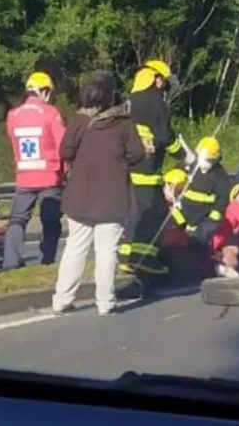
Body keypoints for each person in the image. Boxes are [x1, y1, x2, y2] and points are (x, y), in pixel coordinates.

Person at [52, 72, 145, 316]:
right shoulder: (123, 123)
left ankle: (62, 299)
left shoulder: (78, 122)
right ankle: (105, 302)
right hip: (112, 197)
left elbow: (65, 151)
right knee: (107, 252)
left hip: (80, 196)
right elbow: (138, 154)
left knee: (75, 247)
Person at [121, 60, 194, 267]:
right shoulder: (155, 103)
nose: (163, 85)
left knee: (137, 214)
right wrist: (183, 155)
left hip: (128, 170)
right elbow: (165, 136)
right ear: (155, 78)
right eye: (162, 80)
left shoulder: (130, 101)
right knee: (150, 216)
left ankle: (128, 257)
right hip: (147, 171)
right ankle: (142, 261)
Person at [3, 71, 66, 268]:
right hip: (49, 175)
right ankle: (47, 260)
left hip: (24, 176)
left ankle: (10, 262)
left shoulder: (13, 115)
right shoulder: (51, 113)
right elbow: (63, 144)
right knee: (51, 220)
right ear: (44, 91)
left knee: (17, 220)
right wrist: (64, 172)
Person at [171, 136, 232, 249]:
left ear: (216, 159)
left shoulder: (220, 177)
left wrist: (206, 227)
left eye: (209, 160)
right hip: (180, 219)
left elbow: (221, 204)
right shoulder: (188, 167)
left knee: (197, 253)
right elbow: (172, 181)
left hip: (202, 226)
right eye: (202, 158)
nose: (204, 163)